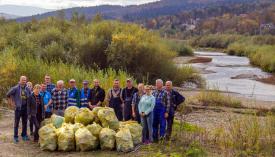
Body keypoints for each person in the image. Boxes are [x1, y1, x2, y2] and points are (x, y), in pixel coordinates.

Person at [6, 76, 31, 143]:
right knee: (16, 123)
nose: (24, 81)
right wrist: (11, 103)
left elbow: (30, 97)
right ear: (20, 80)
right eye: (22, 80)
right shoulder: (16, 88)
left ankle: (24, 135)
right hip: (18, 108)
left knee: (25, 122)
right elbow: (8, 94)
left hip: (25, 108)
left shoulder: (28, 89)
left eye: (25, 80)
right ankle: (15, 137)